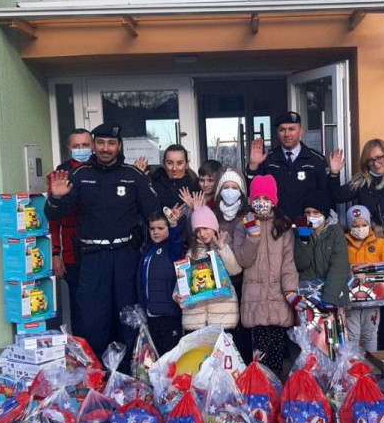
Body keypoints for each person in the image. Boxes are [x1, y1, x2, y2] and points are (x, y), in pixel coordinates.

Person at [45, 123, 160, 358]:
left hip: (126, 257)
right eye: (100, 143)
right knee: (92, 320)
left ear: (119, 146)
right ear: (94, 145)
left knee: (128, 318)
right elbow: (55, 214)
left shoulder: (133, 176)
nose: (105, 148)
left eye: (111, 143)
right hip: (92, 258)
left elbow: (154, 214)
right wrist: (55, 198)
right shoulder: (80, 176)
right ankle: (97, 376)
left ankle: (129, 377)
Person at [327, 139, 384, 349]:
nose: (376, 163)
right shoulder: (363, 182)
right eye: (371, 160)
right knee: (373, 308)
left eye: (379, 157)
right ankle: (377, 358)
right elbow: (336, 196)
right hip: (370, 255)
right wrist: (333, 174)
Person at [231, 175, 298, 376]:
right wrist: (253, 236)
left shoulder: (284, 227)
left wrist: (291, 292)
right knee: (259, 358)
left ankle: (276, 391)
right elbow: (243, 261)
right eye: (257, 198)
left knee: (277, 357)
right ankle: (261, 393)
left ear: (273, 201)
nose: (262, 203)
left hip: (278, 299)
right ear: (251, 201)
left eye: (266, 198)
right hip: (255, 300)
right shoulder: (243, 225)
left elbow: (288, 264)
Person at [46, 128, 92, 330]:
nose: (81, 149)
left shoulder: (101, 169)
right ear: (69, 148)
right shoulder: (60, 174)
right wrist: (55, 253)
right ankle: (84, 356)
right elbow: (54, 219)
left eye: (85, 145)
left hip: (99, 250)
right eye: (76, 146)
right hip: (72, 251)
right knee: (79, 306)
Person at [245, 112, 329, 219]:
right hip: (276, 224)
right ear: (277, 133)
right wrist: (253, 165)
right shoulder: (268, 159)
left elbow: (325, 195)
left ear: (301, 131)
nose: (287, 134)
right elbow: (252, 192)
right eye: (282, 130)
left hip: (306, 224)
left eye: (291, 129)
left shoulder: (316, 159)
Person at [210, 169, 253, 361]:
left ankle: (243, 367)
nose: (229, 191)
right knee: (223, 329)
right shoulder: (212, 215)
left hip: (242, 280)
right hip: (218, 283)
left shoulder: (248, 216)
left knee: (243, 329)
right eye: (226, 187)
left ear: (241, 192)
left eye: (234, 187)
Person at [178, 205, 241, 331]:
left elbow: (235, 270)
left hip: (223, 317)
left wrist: (222, 248)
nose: (202, 234)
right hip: (196, 319)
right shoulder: (192, 252)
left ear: (214, 227)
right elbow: (182, 279)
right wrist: (177, 295)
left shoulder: (223, 246)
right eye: (198, 230)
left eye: (205, 228)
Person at [344, 205, 384, 352]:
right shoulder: (342, 243)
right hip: (350, 299)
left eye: (364, 225)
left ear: (369, 224)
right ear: (349, 226)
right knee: (352, 335)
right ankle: (353, 368)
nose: (360, 228)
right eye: (355, 225)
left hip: (373, 297)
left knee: (370, 334)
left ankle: (372, 368)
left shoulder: (379, 243)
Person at [139, 205, 186, 355]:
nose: (156, 232)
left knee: (171, 356)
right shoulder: (149, 251)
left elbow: (176, 241)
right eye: (152, 229)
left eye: (160, 228)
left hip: (170, 315)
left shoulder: (172, 250)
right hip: (152, 314)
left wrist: (173, 224)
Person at [293, 190, 350, 307]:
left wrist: (329, 298)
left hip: (333, 296)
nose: (311, 216)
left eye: (316, 212)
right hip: (307, 296)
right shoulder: (297, 232)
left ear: (324, 214)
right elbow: (300, 264)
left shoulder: (336, 232)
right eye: (307, 213)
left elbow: (339, 267)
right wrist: (303, 240)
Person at [148, 144, 200, 211]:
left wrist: (193, 208)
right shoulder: (154, 184)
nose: (174, 168)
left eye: (179, 163)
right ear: (164, 164)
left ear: (186, 164)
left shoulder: (196, 186)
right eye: (170, 163)